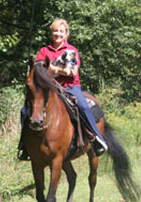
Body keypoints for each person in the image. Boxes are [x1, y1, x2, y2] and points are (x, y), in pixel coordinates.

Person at [17, 18, 107, 160]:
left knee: (83, 106)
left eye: (61, 31)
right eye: (55, 31)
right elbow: (38, 69)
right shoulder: (44, 51)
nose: (57, 34)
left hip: (70, 86)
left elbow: (71, 71)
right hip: (49, 87)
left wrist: (52, 68)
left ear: (66, 34)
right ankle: (24, 145)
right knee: (25, 110)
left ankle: (95, 139)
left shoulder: (70, 51)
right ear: (51, 33)